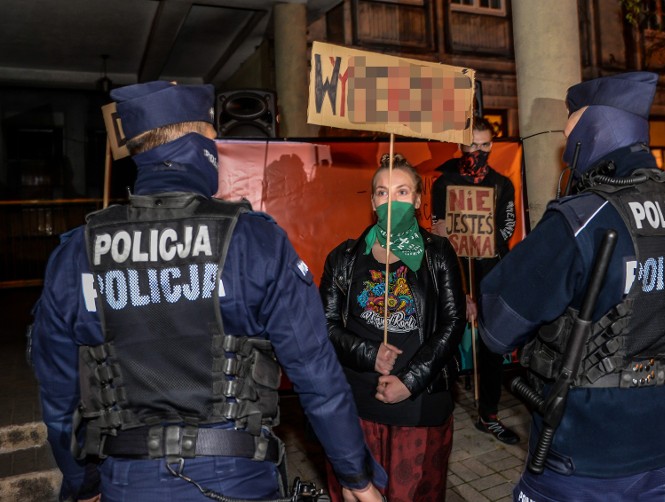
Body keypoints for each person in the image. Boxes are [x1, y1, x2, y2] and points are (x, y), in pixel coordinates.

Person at [30, 81, 385, 502]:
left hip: (126, 480)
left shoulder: (76, 253)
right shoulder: (254, 240)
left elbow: (59, 399)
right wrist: (355, 476)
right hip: (237, 478)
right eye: (214, 137)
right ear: (200, 142)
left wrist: (82, 484)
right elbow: (317, 375)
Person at [477, 71, 665, 501]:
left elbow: (497, 328)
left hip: (582, 455)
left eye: (569, 126)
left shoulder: (581, 219)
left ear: (592, 127)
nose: (564, 144)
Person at [320, 153, 466, 501]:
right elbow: (323, 325)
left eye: (402, 191)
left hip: (418, 407)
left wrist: (409, 381)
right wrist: (369, 354)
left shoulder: (438, 254)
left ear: (417, 199)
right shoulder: (344, 257)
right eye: (383, 192)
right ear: (373, 202)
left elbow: (452, 323)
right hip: (356, 407)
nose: (391, 200)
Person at [430, 116, 520, 444]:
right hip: (454, 272)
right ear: (461, 146)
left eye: (484, 145)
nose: (478, 151)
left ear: (491, 147)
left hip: (491, 272)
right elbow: (438, 228)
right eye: (472, 145)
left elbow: (507, 227)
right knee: (446, 339)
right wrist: (461, 289)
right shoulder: (444, 182)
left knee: (490, 346)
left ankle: (489, 414)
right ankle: (439, 405)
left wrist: (485, 244)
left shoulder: (502, 184)